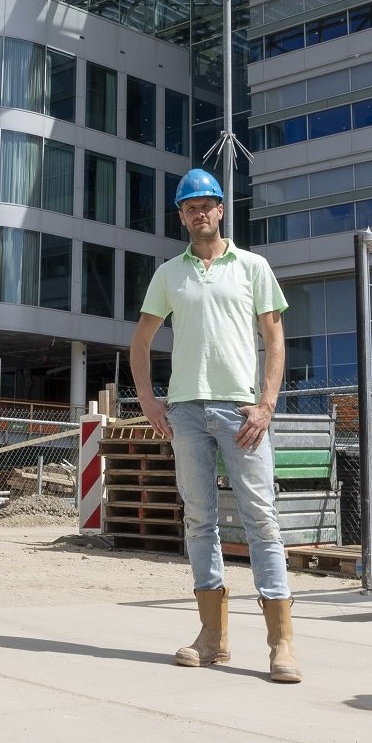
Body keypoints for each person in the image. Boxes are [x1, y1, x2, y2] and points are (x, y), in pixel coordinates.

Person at [128, 167, 300, 684]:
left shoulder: (252, 267)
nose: (199, 213)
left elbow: (275, 341)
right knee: (200, 521)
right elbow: (139, 344)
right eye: (189, 207)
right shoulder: (169, 275)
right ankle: (213, 638)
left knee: (261, 521)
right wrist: (150, 402)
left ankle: (281, 644)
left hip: (240, 412)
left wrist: (266, 404)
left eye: (207, 204)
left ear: (221, 210)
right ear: (181, 216)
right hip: (185, 412)